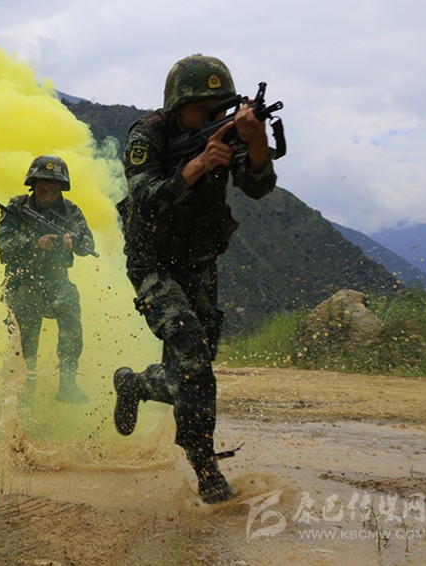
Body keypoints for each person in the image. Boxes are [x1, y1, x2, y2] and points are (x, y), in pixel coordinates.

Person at [113, 54, 277, 503]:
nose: (211, 116)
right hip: (151, 262)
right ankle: (206, 471)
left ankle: (135, 384)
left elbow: (258, 185)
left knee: (192, 369)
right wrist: (199, 164)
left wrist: (256, 141)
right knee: (192, 355)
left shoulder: (230, 132)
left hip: (200, 262)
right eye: (200, 108)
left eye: (218, 107)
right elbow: (146, 197)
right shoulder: (148, 135)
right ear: (176, 105)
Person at [0, 155, 96, 404]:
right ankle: (24, 388)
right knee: (26, 331)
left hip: (56, 281)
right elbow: (4, 245)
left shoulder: (70, 211)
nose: (48, 194)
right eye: (42, 188)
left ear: (61, 188)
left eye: (54, 189)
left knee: (70, 306)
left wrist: (73, 243)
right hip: (21, 281)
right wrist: (34, 243)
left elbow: (88, 245)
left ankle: (68, 383)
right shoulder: (17, 207)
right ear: (32, 185)